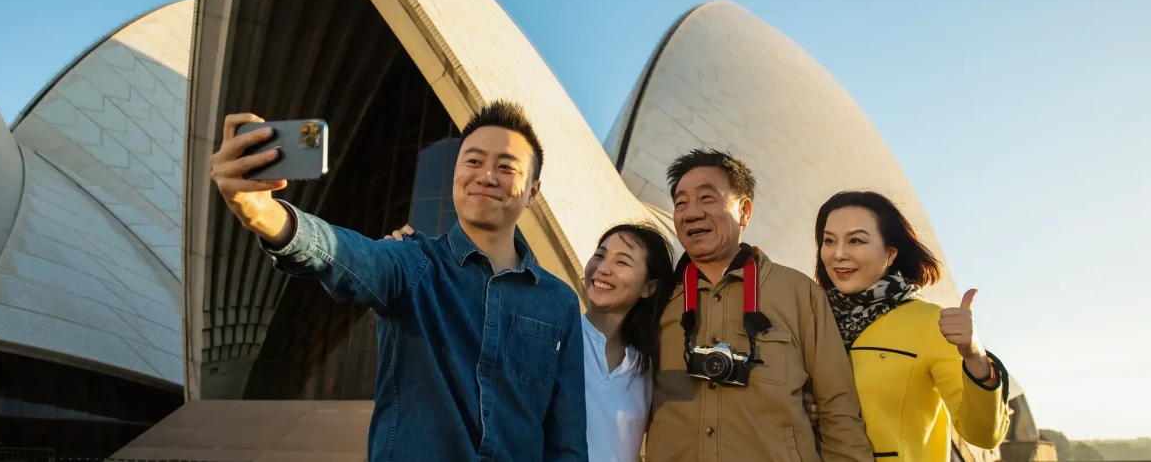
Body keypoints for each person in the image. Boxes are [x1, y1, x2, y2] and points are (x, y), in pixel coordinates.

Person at [208, 100, 587, 461]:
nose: (486, 176)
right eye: (473, 160)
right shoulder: (412, 263)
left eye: (507, 167)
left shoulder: (559, 302)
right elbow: (343, 253)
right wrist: (265, 215)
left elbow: (566, 441)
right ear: (456, 174)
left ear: (533, 192)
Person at [644, 149, 874, 462]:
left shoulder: (798, 292)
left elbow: (839, 407)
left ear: (745, 211)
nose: (691, 212)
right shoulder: (659, 300)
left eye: (707, 198)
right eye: (680, 203)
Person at [386, 221, 677, 462]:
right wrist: (405, 258)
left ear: (649, 287)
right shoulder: (550, 338)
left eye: (622, 262)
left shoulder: (646, 366)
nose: (603, 268)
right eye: (599, 255)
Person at [814, 190, 1010, 461]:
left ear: (891, 253)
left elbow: (983, 435)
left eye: (856, 240)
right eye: (829, 241)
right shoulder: (810, 319)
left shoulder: (930, 323)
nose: (838, 254)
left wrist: (975, 357)